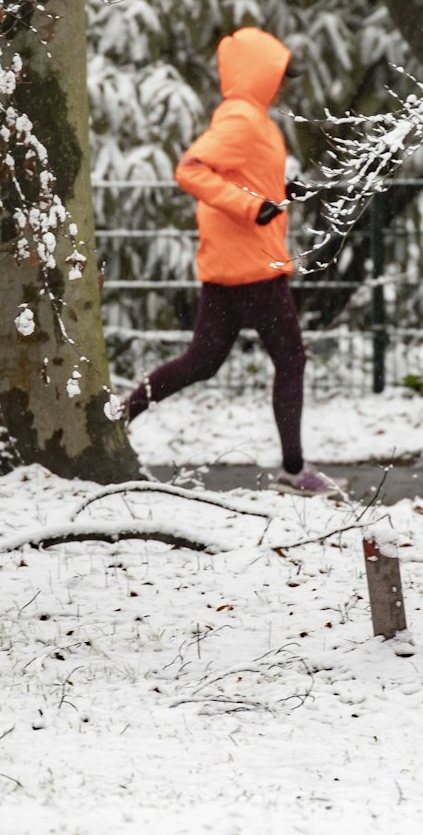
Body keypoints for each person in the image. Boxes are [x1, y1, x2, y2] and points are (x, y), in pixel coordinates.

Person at [121, 27, 341, 497]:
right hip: (252, 268)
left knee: (202, 361)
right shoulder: (241, 119)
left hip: (231, 265)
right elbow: (192, 169)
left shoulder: (251, 119)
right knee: (290, 359)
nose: (282, 84)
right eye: (278, 74)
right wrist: (250, 206)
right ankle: (294, 470)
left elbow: (247, 181)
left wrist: (281, 194)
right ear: (258, 74)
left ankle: (117, 417)